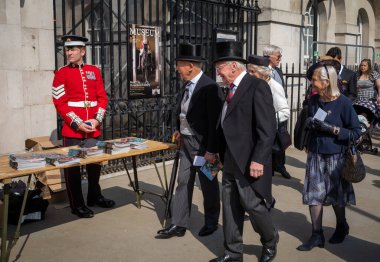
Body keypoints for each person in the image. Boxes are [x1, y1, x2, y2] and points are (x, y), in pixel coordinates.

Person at [210, 41, 278, 262]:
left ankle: (270, 240)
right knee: (229, 205)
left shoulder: (257, 86)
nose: (218, 73)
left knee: (252, 204)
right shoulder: (228, 89)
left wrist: (259, 159)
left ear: (233, 67)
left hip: (249, 159)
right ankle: (233, 252)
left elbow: (267, 129)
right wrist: (214, 150)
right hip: (229, 158)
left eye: (219, 68)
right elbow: (223, 124)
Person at [156, 43, 223, 238]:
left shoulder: (210, 87)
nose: (176, 69)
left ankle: (211, 222)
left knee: (208, 184)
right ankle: (179, 223)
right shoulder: (186, 85)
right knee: (183, 181)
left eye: (179, 65)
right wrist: (178, 129)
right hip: (186, 143)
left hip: (204, 146)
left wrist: (212, 150)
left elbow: (215, 124)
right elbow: (182, 112)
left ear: (190, 66)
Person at [297, 63, 361, 251]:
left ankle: (342, 225)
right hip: (316, 154)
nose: (312, 82)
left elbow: (356, 132)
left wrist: (333, 130)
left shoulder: (344, 103)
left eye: (315, 79)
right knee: (314, 196)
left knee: (336, 197)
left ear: (326, 82)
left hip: (336, 157)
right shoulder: (315, 100)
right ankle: (316, 234)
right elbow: (314, 120)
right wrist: (309, 123)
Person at [52, 35, 115, 218]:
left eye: (73, 49)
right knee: (72, 168)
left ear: (82, 51)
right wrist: (77, 123)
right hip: (73, 129)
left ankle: (94, 196)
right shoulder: (61, 73)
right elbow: (60, 102)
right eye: (67, 49)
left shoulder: (93, 71)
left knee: (95, 165)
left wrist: (97, 120)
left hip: (93, 126)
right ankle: (76, 204)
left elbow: (102, 98)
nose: (69, 53)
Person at [247, 55, 291, 178]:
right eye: (248, 71)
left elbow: (285, 111)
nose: (249, 74)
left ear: (263, 73)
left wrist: (267, 120)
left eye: (252, 71)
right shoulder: (252, 84)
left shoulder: (275, 87)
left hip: (265, 135)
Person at [263, 44, 291, 179]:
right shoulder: (261, 71)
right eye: (278, 56)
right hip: (267, 114)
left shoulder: (278, 71)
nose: (280, 59)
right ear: (269, 56)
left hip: (280, 112)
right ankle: (270, 168)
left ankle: (280, 166)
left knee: (280, 140)